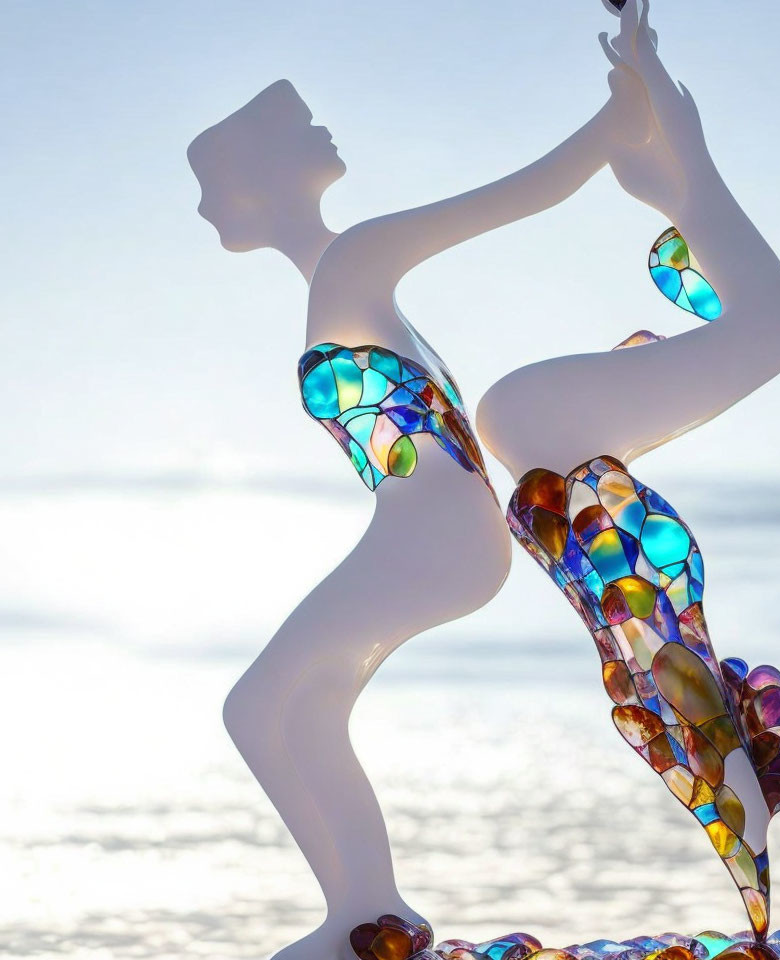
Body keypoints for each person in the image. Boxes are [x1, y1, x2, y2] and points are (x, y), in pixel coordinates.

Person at [188, 55, 650, 959]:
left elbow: (513, 196)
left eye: (210, 184)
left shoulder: (354, 259)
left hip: (430, 536)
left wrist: (614, 121)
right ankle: (368, 911)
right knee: (303, 711)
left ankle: (365, 913)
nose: (204, 208)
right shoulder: (342, 279)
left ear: (255, 183)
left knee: (255, 710)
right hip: (429, 535)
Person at [476, 0, 780, 940]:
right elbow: (691, 151)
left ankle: (745, 871)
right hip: (541, 416)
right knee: (655, 616)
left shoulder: (729, 264)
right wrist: (650, 73)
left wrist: (649, 77)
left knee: (649, 620)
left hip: (543, 417)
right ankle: (746, 873)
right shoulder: (742, 277)